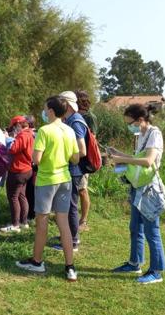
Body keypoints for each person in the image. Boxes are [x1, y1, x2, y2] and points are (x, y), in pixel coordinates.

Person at [15, 96, 80, 281]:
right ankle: (70, 267)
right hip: (65, 181)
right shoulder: (69, 131)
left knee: (42, 222)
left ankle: (37, 262)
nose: (44, 112)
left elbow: (36, 159)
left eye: (45, 109)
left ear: (51, 111)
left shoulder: (44, 131)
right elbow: (75, 158)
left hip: (46, 181)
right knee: (63, 223)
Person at [109, 104, 165, 284]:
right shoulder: (140, 134)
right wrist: (117, 154)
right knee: (135, 228)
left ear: (140, 120)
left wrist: (121, 159)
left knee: (152, 231)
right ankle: (135, 263)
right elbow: (136, 160)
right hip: (137, 187)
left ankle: (156, 271)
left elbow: (148, 161)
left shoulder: (154, 134)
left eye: (130, 123)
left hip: (149, 190)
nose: (129, 126)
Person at [53, 91, 87, 252]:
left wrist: (63, 156)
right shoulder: (71, 120)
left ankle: (73, 241)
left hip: (74, 170)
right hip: (70, 169)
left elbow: (82, 150)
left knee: (71, 206)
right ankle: (68, 237)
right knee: (67, 205)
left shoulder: (76, 122)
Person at [0, 116, 33, 233]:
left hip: (18, 171)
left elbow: (13, 149)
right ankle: (24, 222)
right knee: (22, 196)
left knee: (13, 197)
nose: (13, 130)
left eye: (13, 127)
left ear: (18, 125)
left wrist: (7, 139)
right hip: (27, 170)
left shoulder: (23, 135)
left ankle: (15, 224)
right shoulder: (30, 133)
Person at [75, 90, 98, 232]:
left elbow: (93, 137)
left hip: (84, 157)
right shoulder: (75, 116)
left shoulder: (90, 117)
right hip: (75, 155)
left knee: (82, 189)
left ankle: (83, 220)